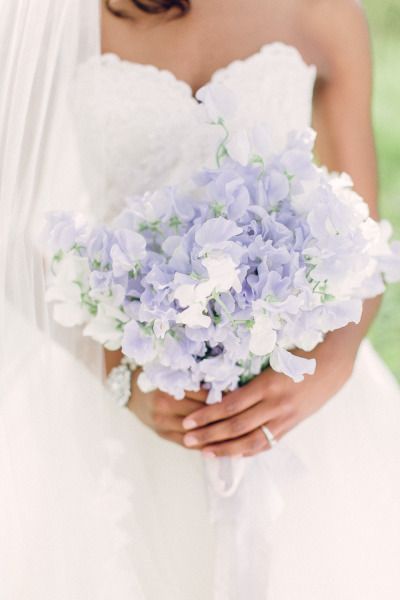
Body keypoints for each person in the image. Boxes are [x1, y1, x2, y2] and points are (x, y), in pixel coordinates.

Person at [1, 0, 400, 598]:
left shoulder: (322, 10)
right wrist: (123, 376)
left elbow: (365, 231)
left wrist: (330, 367)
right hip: (130, 401)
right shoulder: (52, 14)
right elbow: (12, 238)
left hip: (296, 395)